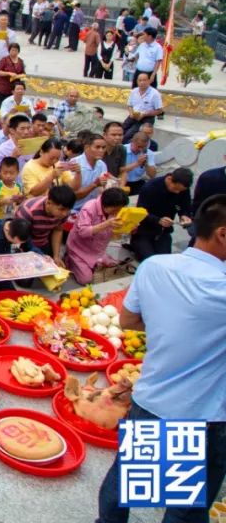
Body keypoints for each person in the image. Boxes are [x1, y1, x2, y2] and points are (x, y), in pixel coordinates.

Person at [95, 194, 226, 523]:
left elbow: (128, 322)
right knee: (184, 511)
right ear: (222, 234)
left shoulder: (156, 266)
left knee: (128, 482)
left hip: (153, 398)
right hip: (205, 414)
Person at [65, 187, 127, 286]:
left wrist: (128, 226)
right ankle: (70, 261)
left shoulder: (117, 210)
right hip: (79, 248)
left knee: (112, 266)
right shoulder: (89, 208)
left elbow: (116, 234)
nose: (116, 212)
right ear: (106, 204)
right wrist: (107, 223)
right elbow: (83, 232)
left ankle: (97, 261)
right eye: (115, 209)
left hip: (97, 249)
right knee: (86, 279)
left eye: (119, 209)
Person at [129, 168, 194, 262]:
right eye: (175, 189)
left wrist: (184, 216)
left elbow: (184, 206)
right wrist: (158, 220)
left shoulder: (182, 189)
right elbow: (141, 212)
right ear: (170, 179)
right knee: (149, 260)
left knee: (165, 261)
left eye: (180, 191)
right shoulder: (150, 187)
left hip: (163, 232)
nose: (177, 192)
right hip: (144, 230)